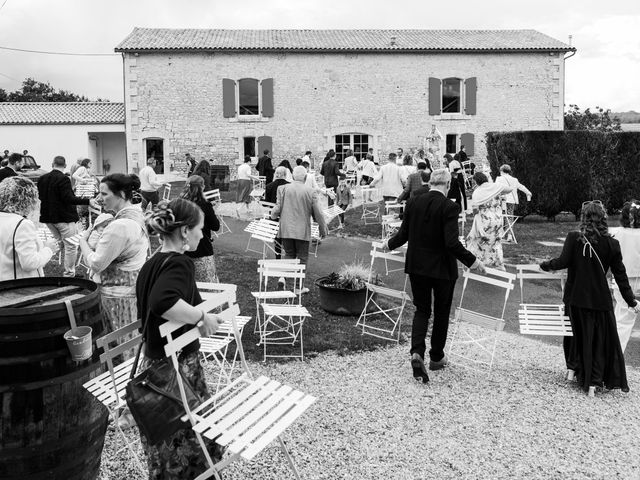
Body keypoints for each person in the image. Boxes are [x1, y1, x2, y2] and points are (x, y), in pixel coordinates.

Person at [136, 198, 225, 478]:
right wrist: (201, 318)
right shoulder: (180, 263)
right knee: (191, 439)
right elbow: (162, 301)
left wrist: (200, 317)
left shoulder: (152, 263)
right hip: (177, 369)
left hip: (154, 366)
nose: (202, 233)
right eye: (199, 228)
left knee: (166, 441)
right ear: (185, 231)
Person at [384, 169, 485, 383]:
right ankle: (436, 357)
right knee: (441, 312)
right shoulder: (450, 206)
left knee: (421, 310)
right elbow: (451, 242)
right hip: (442, 270)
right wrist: (473, 261)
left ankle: (416, 352)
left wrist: (389, 244)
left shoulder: (413, 203)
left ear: (430, 183)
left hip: (417, 266)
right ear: (447, 184)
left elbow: (403, 234)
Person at [541, 201, 638, 396]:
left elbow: (562, 262)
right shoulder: (612, 243)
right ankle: (593, 381)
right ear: (603, 218)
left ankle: (573, 369)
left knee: (574, 336)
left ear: (584, 217)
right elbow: (620, 276)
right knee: (597, 340)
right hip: (600, 300)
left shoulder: (574, 238)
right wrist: (631, 301)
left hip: (575, 298)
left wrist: (545, 265)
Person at [78, 173, 149, 334]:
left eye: (104, 194)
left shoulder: (120, 226)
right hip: (130, 292)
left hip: (116, 297)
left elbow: (97, 263)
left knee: (117, 345)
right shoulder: (136, 215)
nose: (99, 198)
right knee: (128, 342)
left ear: (122, 195)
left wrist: (83, 242)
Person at [37, 156, 97, 277]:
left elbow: (41, 197)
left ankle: (40, 262)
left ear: (52, 164)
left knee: (58, 242)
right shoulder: (64, 179)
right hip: (63, 217)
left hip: (48, 217)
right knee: (71, 245)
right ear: (64, 166)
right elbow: (68, 198)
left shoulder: (42, 178)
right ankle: (69, 273)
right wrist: (87, 201)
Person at [0, 176, 59, 281]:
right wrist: (48, 249)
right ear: (27, 199)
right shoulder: (22, 224)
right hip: (21, 287)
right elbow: (29, 263)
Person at [271, 166, 328, 272]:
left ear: (292, 176)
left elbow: (277, 208)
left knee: (289, 255)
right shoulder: (311, 192)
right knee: (302, 259)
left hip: (286, 229)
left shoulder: (282, 189)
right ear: (305, 177)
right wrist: (322, 229)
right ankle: (298, 287)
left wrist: (273, 216)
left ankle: (283, 278)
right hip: (302, 231)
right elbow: (318, 213)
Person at [465, 172, 513, 270]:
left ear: (476, 181)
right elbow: (510, 189)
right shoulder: (496, 186)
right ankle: (498, 263)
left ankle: (477, 262)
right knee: (496, 241)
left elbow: (475, 210)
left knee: (477, 240)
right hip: (497, 219)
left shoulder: (477, 192)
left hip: (484, 220)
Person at [611, 200, 640, 352]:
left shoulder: (617, 233)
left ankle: (612, 353)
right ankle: (615, 355)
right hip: (637, 279)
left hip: (621, 279)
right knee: (624, 319)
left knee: (621, 317)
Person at [181, 175, 221, 282]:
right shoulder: (205, 205)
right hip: (202, 248)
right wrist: (213, 212)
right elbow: (215, 226)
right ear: (202, 187)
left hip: (183, 249)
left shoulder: (181, 204)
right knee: (207, 283)